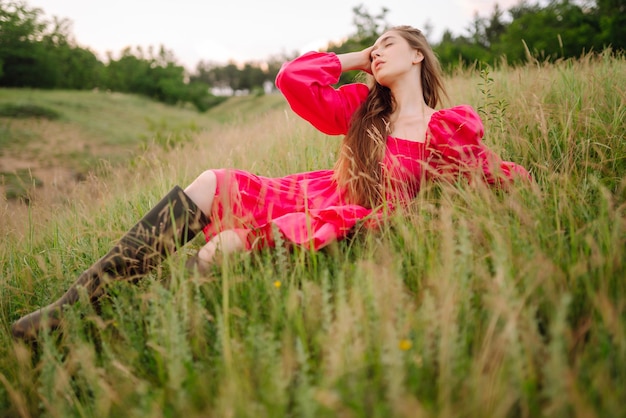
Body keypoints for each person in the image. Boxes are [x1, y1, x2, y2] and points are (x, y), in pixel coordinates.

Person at [11, 25, 530, 339]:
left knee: (221, 254)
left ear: (417, 54)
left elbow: (489, 177)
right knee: (212, 181)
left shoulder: (446, 126)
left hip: (360, 218)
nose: (376, 52)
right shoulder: (359, 107)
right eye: (372, 48)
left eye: (387, 44)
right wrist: (356, 60)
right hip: (318, 191)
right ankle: (72, 308)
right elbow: (292, 80)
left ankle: (151, 328)